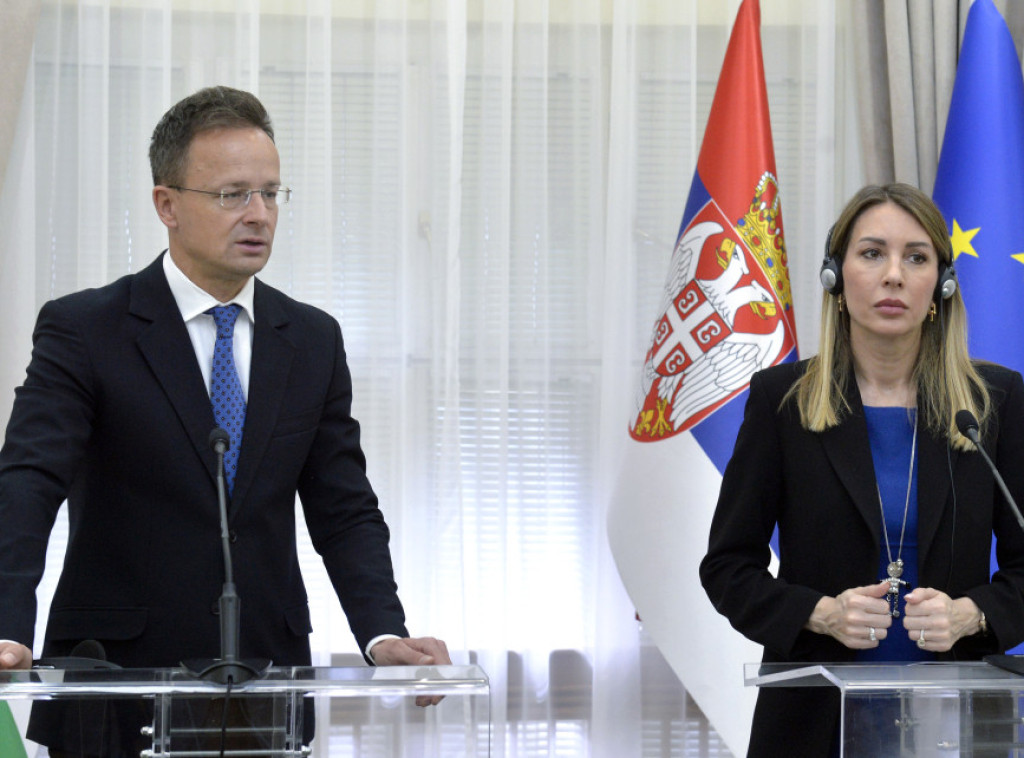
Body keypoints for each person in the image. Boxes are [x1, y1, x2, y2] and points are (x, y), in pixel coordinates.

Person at [0, 86, 450, 755]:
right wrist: (7, 625)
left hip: (265, 683)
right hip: (114, 680)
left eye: (270, 193)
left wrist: (382, 633)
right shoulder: (87, 329)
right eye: (233, 194)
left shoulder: (312, 339)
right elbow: (29, 481)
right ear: (167, 204)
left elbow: (343, 506)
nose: (259, 214)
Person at [699, 183, 1024, 757]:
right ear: (835, 277)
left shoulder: (993, 402)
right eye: (872, 253)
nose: (893, 275)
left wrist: (971, 615)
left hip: (957, 722)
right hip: (813, 723)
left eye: (916, 257)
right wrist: (820, 614)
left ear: (942, 285)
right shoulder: (783, 401)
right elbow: (729, 566)